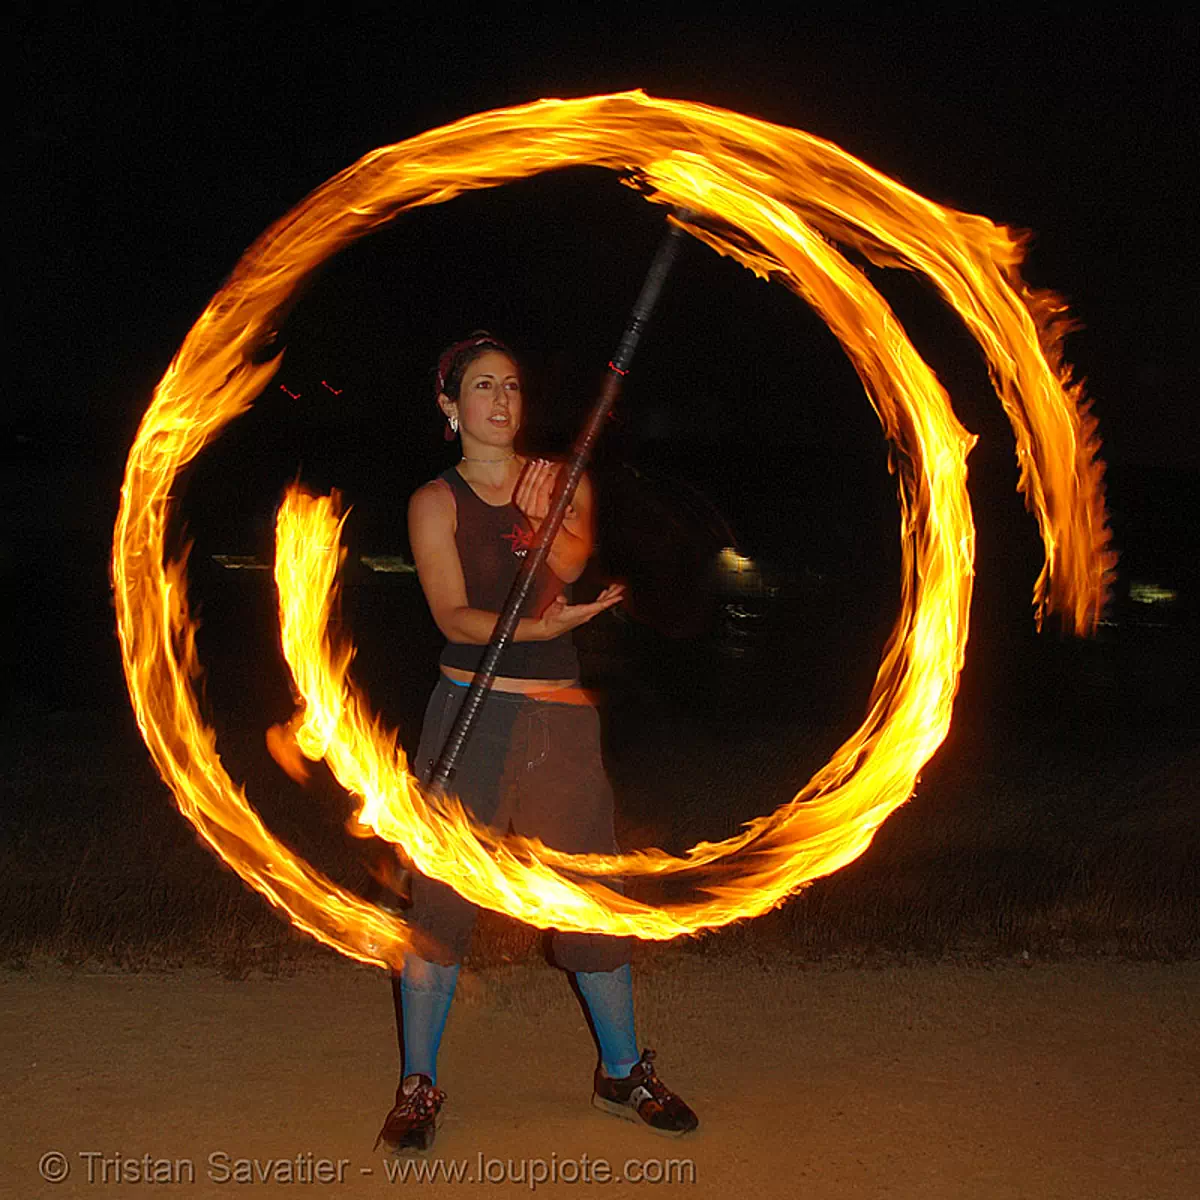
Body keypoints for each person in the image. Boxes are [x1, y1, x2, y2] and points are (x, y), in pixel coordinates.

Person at [375, 332, 699, 1154]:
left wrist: (539, 512)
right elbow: (453, 617)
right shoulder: (433, 502)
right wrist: (533, 626)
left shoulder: (565, 482)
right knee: (440, 903)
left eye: (512, 386)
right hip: (469, 714)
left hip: (558, 724)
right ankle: (418, 1084)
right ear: (450, 407)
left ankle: (622, 1073)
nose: (502, 401)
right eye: (482, 387)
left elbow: (571, 560)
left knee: (587, 898)